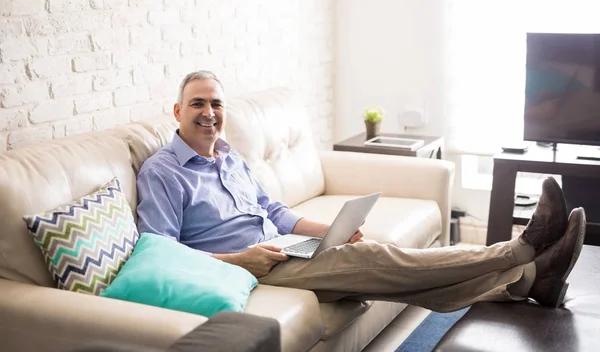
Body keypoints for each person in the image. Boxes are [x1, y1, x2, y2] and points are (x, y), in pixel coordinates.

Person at [136, 70, 587, 312]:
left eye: (216, 103)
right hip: (246, 269)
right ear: (178, 110)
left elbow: (273, 209)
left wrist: (332, 229)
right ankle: (519, 252)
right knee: (376, 259)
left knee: (376, 267)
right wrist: (241, 261)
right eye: (198, 103)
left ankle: (528, 282)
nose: (209, 112)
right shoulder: (163, 172)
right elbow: (161, 252)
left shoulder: (230, 156)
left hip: (280, 249)